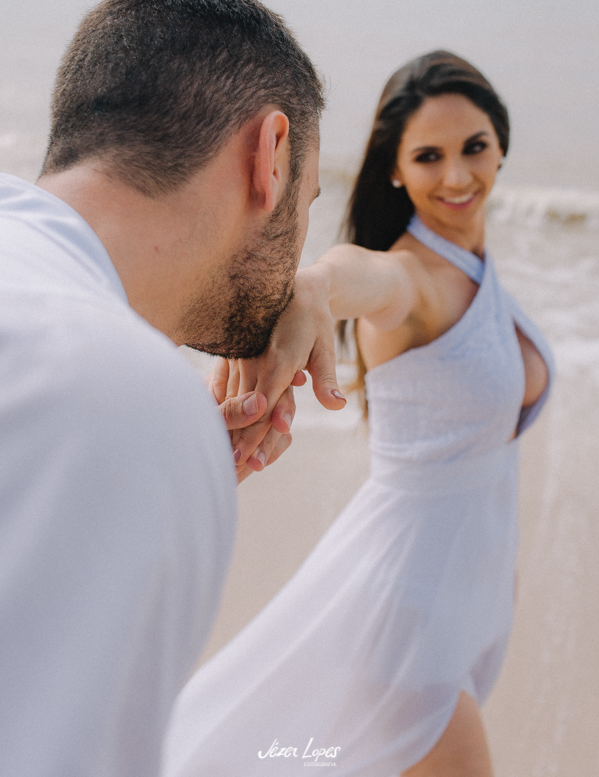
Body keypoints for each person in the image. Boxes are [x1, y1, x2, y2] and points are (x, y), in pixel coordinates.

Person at [163, 51, 554, 776]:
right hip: (406, 619)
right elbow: (360, 277)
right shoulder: (414, 277)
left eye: (473, 147)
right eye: (428, 157)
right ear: (396, 170)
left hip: (458, 610)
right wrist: (311, 288)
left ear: (500, 144)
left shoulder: (473, 269)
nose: (457, 175)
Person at [0, 0, 347, 777]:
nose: (300, 239)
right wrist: (155, 458)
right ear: (270, 155)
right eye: (309, 200)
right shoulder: (119, 401)